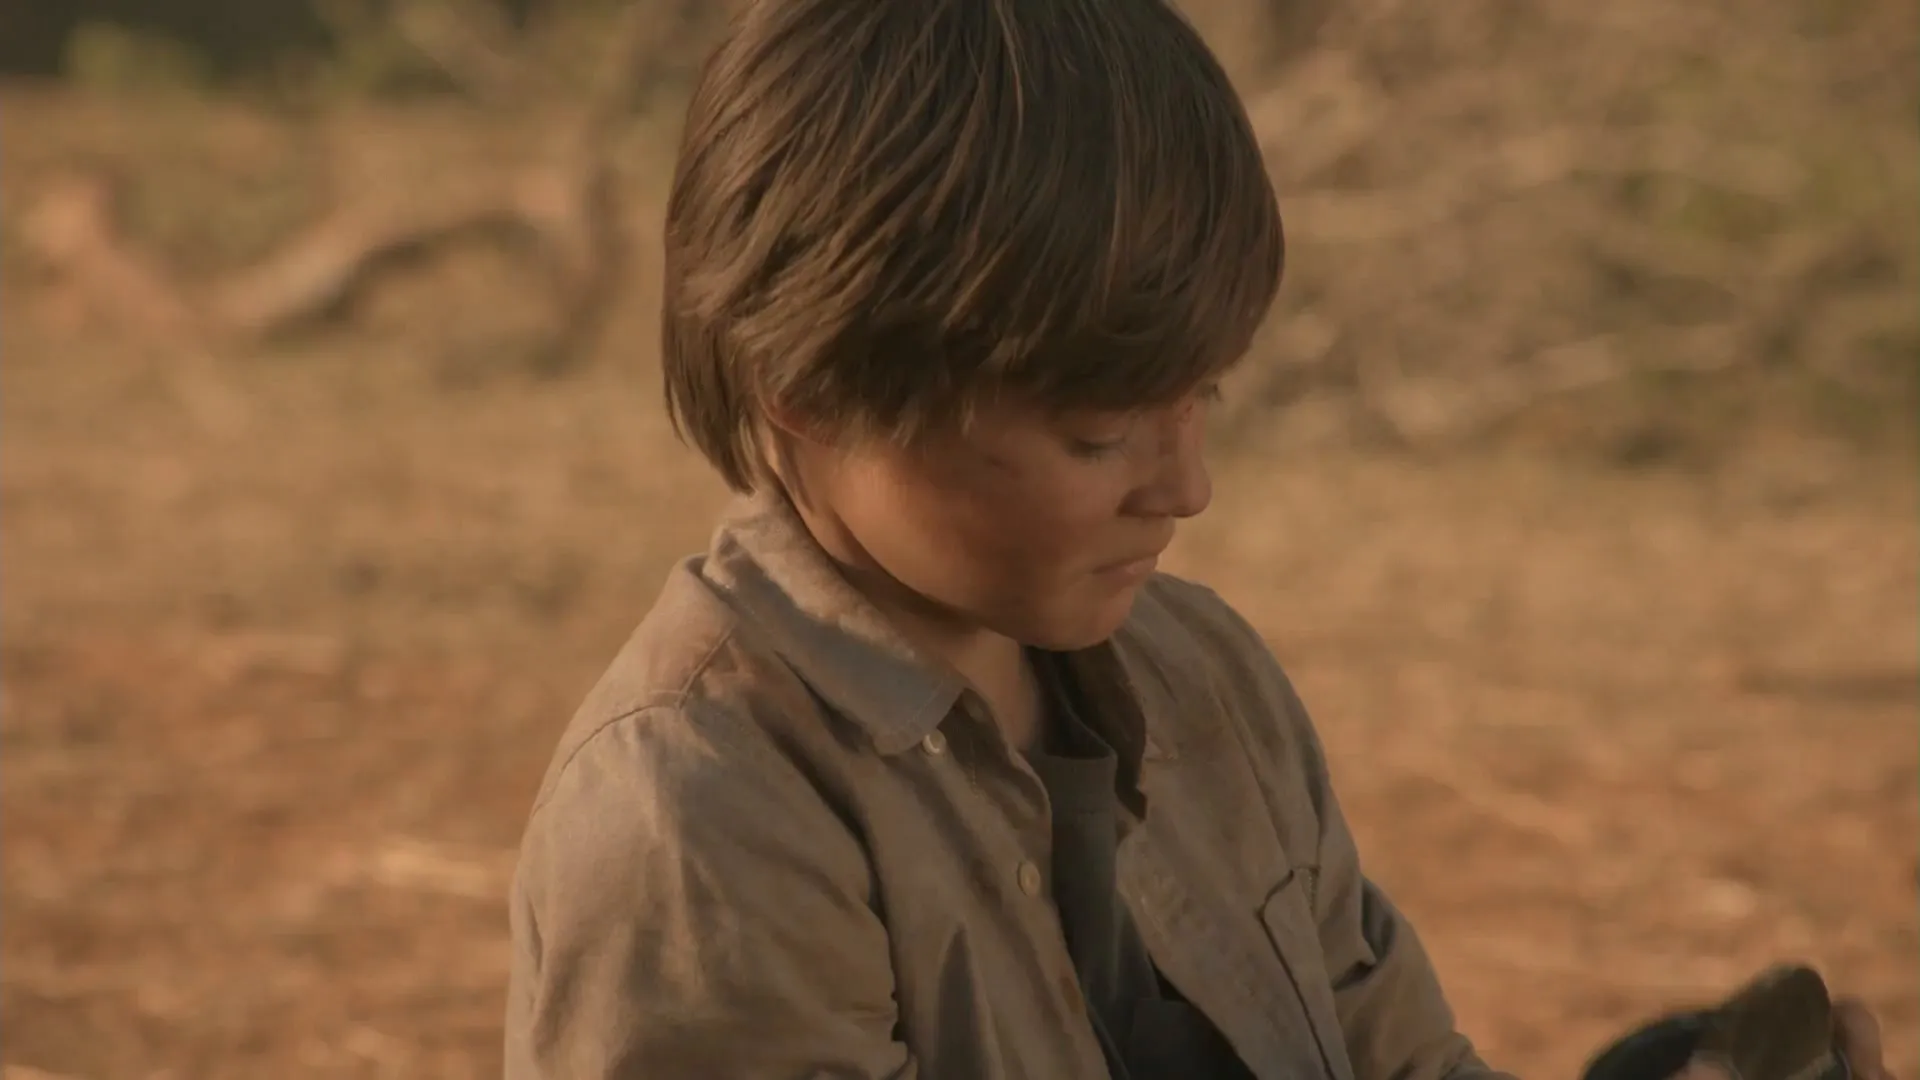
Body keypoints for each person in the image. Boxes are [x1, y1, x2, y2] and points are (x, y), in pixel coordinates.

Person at [501, 1, 1892, 1077]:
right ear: (811, 389)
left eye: (1202, 399)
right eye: (1099, 434)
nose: (1186, 487)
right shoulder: (698, 822)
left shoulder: (1202, 678)